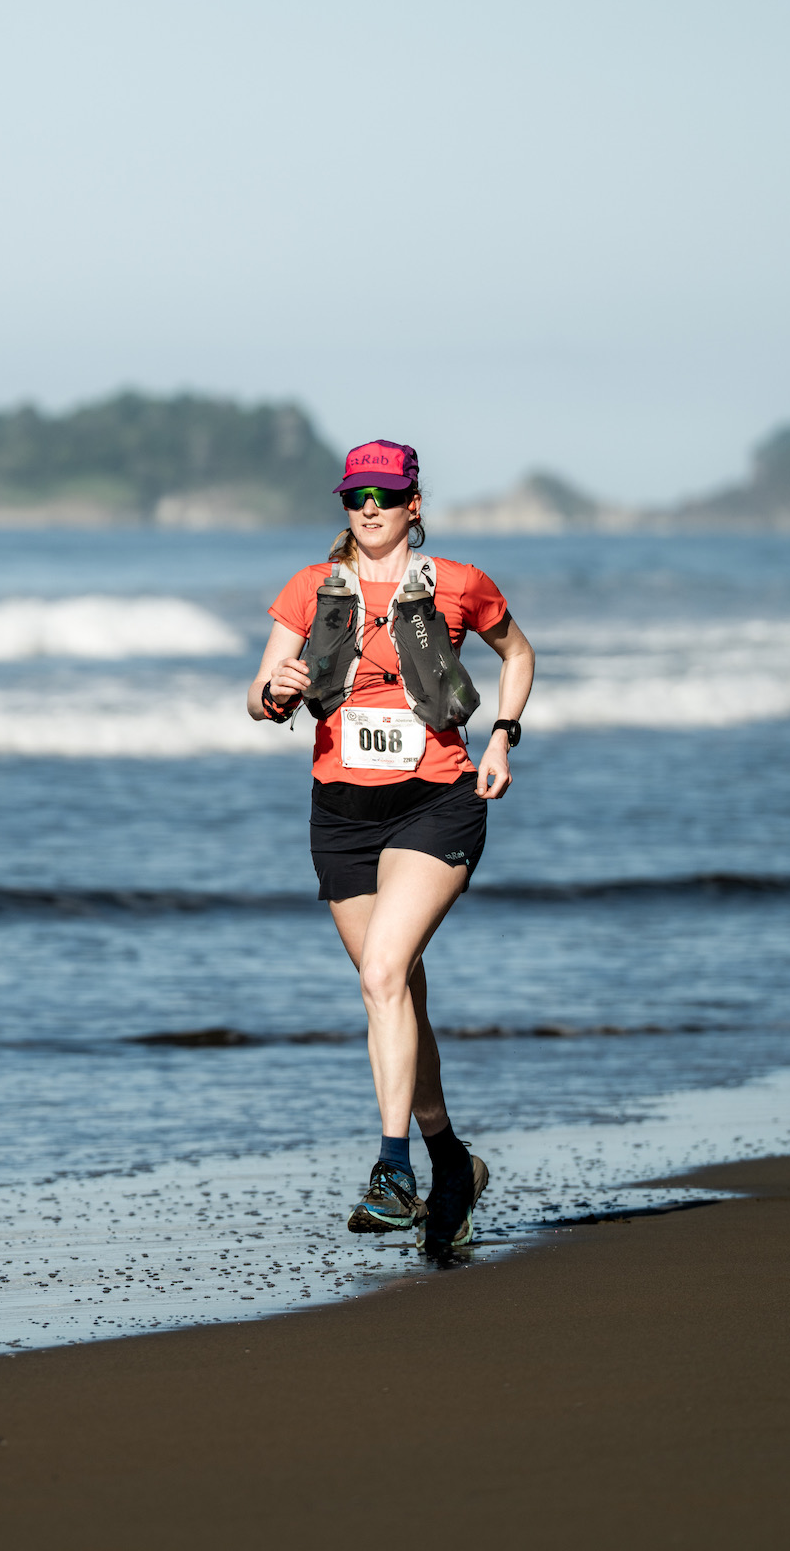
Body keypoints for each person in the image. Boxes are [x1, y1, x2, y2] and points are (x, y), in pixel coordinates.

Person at [246, 440, 535, 1251]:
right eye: (355, 496)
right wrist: (276, 691)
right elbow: (258, 698)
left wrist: (504, 734)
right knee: (396, 989)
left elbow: (518, 654)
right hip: (341, 814)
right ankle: (453, 1164)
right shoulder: (311, 589)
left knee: (381, 975)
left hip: (436, 803)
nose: (368, 509)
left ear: (413, 503)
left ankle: (394, 1172)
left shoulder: (460, 584)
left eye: (383, 495)